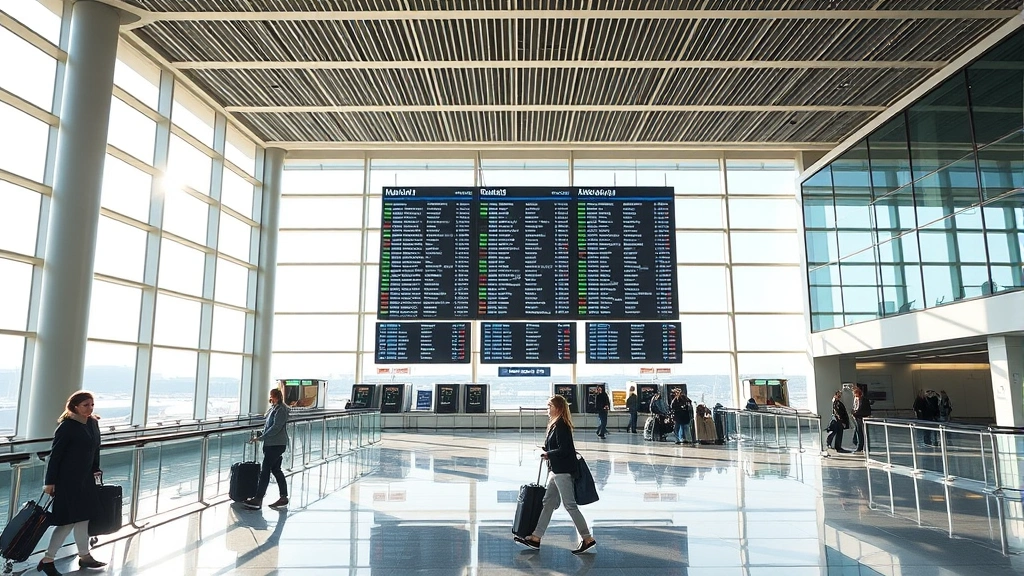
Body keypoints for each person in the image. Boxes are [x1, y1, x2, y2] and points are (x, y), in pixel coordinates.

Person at [514, 395, 597, 555]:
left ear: (558, 407)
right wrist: (546, 449)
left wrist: (548, 454)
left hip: (562, 471)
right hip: (556, 470)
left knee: (570, 505)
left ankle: (587, 538)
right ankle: (536, 538)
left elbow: (565, 449)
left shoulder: (561, 425)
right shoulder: (555, 424)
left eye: (549, 406)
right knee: (548, 502)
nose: (547, 409)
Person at [39, 391, 107, 576]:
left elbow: (95, 449)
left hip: (85, 479)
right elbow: (56, 456)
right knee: (67, 522)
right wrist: (50, 482)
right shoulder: (67, 427)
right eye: (86, 405)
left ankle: (84, 556)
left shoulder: (93, 423)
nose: (90, 408)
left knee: (83, 519)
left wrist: (95, 469)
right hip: (68, 481)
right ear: (75, 406)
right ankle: (48, 559)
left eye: (92, 404)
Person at [244, 388, 291, 510]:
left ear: (275, 396)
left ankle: (258, 499)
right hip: (273, 444)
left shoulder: (281, 410)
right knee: (276, 470)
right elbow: (269, 424)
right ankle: (283, 497)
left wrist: (262, 437)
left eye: (271, 396)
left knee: (265, 471)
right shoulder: (275, 409)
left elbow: (276, 427)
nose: (270, 398)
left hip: (275, 445)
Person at [851, 387, 871, 453]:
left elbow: (864, 409)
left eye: (856, 395)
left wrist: (856, 414)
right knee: (857, 430)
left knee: (860, 432)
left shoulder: (864, 400)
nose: (855, 396)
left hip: (861, 417)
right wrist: (853, 413)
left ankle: (860, 446)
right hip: (856, 417)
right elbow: (854, 407)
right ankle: (857, 443)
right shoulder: (855, 400)